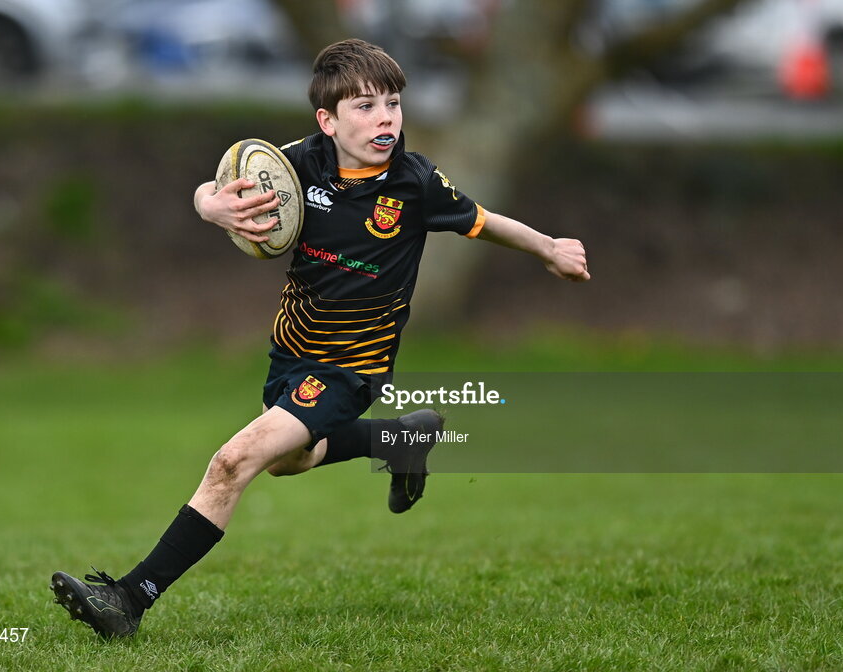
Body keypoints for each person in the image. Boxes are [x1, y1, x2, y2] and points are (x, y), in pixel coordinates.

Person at [49, 38, 589, 639]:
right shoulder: (297, 163)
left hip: (352, 365)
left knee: (234, 462)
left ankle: (129, 598)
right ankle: (401, 439)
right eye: (364, 105)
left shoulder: (415, 182)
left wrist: (549, 248)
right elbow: (216, 187)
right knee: (291, 461)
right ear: (327, 121)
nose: (385, 117)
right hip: (292, 350)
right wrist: (211, 208)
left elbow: (484, 221)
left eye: (392, 103)